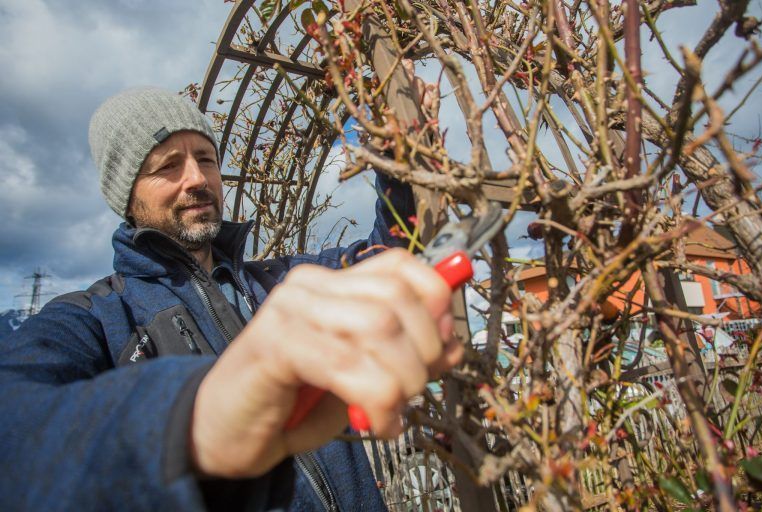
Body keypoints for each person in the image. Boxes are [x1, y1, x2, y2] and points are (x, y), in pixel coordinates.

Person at [0, 87, 463, 511]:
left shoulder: (283, 284)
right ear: (127, 196)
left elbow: (393, 254)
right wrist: (191, 420)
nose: (197, 179)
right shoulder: (98, 319)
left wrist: (397, 161)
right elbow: (15, 428)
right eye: (167, 166)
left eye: (206, 158)